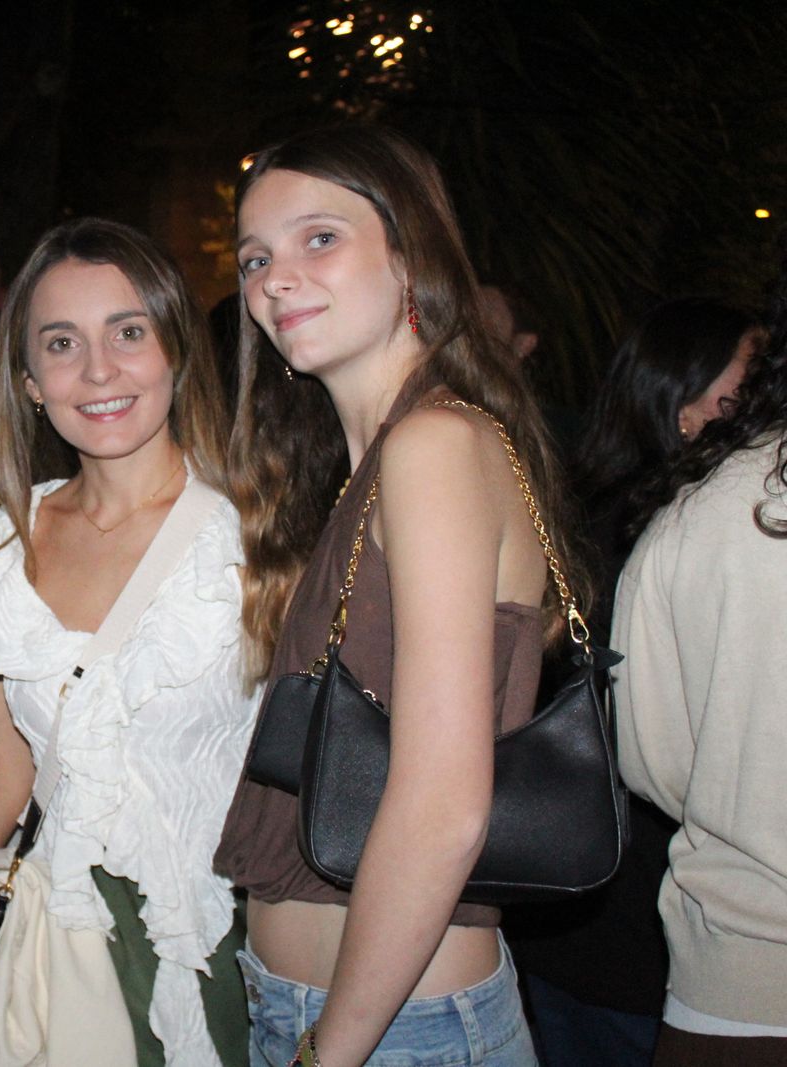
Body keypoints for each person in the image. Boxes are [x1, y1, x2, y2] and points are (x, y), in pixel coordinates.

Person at [215, 124, 586, 1067]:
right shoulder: (384, 459)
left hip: (389, 1032)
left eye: (320, 238)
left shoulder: (433, 445)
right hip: (341, 1016)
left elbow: (442, 805)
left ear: (412, 253)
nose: (277, 279)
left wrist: (329, 1050)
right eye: (255, 258)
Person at [0, 217, 254, 1066]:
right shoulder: (9, 538)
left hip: (212, 949)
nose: (99, 370)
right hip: (52, 945)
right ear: (31, 381)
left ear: (176, 350)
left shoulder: (252, 540)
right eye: (62, 343)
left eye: (128, 332)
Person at [506, 296, 763, 1066]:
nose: (768, 400)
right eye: (750, 381)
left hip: (562, 898)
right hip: (641, 917)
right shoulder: (685, 535)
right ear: (684, 407)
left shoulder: (574, 509)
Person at [612, 268, 787, 1063]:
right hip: (700, 960)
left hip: (727, 964)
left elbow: (658, 760)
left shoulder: (692, 515)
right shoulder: (652, 519)